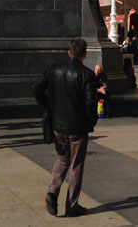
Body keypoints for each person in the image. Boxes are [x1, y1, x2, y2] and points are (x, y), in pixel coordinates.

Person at [32, 38, 98, 218]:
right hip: (77, 126)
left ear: (69, 53)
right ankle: (72, 205)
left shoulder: (54, 70)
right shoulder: (87, 74)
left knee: (62, 159)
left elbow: (36, 87)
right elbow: (91, 102)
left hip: (58, 124)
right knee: (76, 165)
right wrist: (91, 121)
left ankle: (52, 193)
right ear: (84, 55)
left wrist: (47, 104)